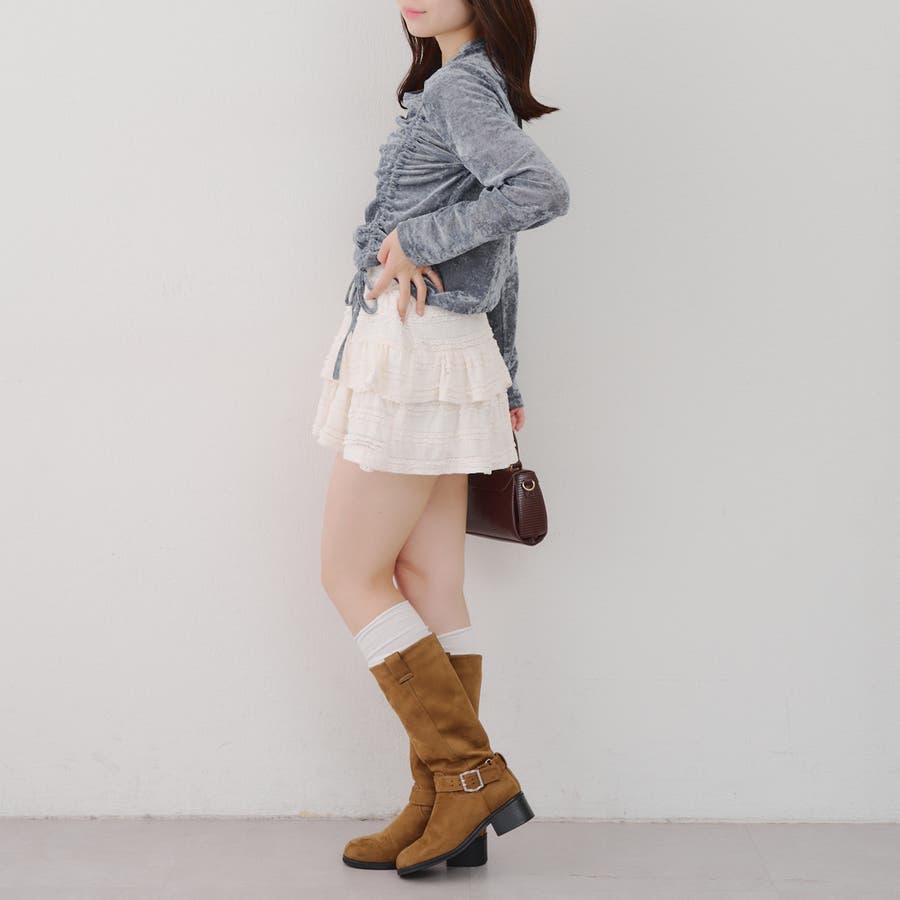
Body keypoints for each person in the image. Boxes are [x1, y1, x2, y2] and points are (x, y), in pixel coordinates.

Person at [312, 0, 570, 877]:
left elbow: (538, 194)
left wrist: (413, 236)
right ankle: (440, 804)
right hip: (446, 356)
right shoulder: (467, 83)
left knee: (349, 573)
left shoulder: (463, 87)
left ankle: (469, 777)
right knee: (427, 579)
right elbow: (503, 252)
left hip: (415, 356)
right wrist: (506, 372)